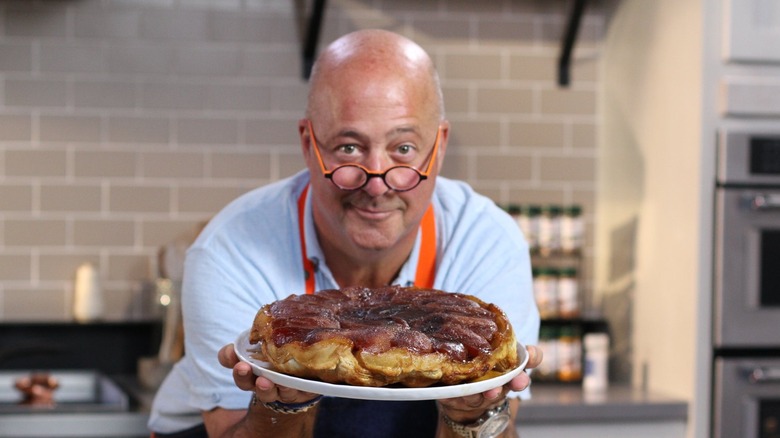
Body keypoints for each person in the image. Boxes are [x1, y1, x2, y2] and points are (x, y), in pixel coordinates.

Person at [148, 29, 541, 438]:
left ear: (439, 147)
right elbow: (230, 429)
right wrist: (281, 403)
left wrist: (469, 416)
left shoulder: (485, 242)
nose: (376, 184)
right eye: (349, 148)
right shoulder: (230, 251)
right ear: (308, 143)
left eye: (403, 148)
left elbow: (499, 429)